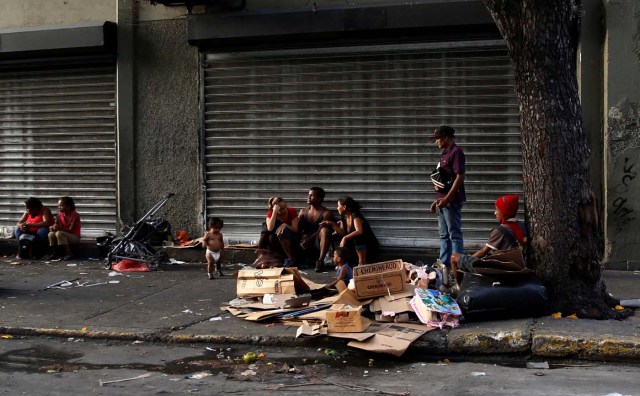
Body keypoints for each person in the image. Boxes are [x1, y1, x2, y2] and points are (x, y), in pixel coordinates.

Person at [451, 194, 527, 288]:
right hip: (519, 267)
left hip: (500, 269)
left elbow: (482, 252)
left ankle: (458, 287)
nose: (495, 213)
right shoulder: (523, 226)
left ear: (504, 212)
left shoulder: (500, 231)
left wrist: (465, 262)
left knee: (454, 257)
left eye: (497, 210)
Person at [429, 125, 466, 269]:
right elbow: (445, 182)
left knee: (454, 235)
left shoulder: (456, 152)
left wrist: (447, 199)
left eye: (437, 139)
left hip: (451, 202)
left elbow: (460, 176)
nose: (436, 142)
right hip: (442, 202)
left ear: (445, 138)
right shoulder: (445, 154)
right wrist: (438, 200)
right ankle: (444, 265)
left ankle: (457, 266)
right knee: (444, 235)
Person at [321, 196, 379, 266]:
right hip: (353, 246)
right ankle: (336, 260)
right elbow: (342, 232)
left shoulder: (355, 215)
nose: (337, 208)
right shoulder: (344, 216)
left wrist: (345, 238)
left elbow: (359, 231)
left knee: (358, 237)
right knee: (335, 236)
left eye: (338, 206)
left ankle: (362, 262)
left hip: (366, 245)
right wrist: (332, 224)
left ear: (344, 207)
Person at [298, 187, 334, 272]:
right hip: (305, 241)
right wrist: (303, 236)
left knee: (325, 230)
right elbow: (298, 228)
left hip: (317, 241)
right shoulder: (303, 211)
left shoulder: (326, 213)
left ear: (319, 199)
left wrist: (309, 239)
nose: (308, 197)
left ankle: (320, 261)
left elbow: (320, 229)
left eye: (311, 196)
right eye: (308, 195)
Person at [257, 196, 299, 267]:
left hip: (289, 237)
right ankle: (264, 257)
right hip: (275, 239)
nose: (285, 210)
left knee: (280, 233)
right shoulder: (271, 214)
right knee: (267, 233)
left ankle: (290, 258)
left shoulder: (291, 211)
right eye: (281, 209)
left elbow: (295, 230)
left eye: (285, 207)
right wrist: (274, 212)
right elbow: (270, 228)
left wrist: (285, 225)